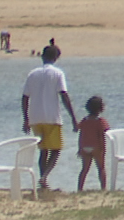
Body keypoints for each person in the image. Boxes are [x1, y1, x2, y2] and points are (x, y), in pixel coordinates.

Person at [21, 44, 77, 192]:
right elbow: (64, 95)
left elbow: (25, 97)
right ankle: (44, 177)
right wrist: (73, 117)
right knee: (56, 150)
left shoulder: (33, 74)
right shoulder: (58, 73)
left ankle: (43, 181)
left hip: (35, 117)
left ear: (42, 56)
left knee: (43, 150)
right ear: (56, 58)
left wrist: (25, 119)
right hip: (52, 117)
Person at [76, 96, 110, 192]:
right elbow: (102, 134)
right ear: (101, 108)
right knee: (101, 168)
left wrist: (79, 148)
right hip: (97, 147)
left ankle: (80, 189)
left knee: (84, 169)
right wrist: (103, 149)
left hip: (84, 146)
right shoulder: (100, 121)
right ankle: (103, 188)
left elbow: (81, 133)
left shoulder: (85, 120)